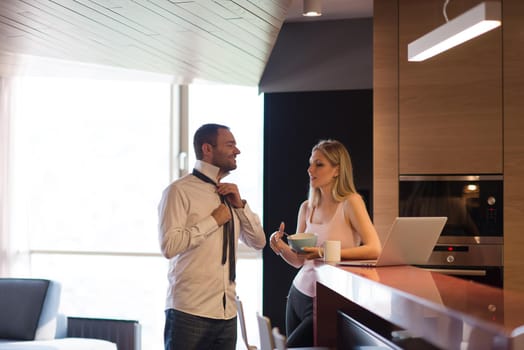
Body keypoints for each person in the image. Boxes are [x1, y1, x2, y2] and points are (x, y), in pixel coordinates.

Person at [158, 123, 266, 350]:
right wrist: (213, 221)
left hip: (227, 314)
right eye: (230, 145)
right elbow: (169, 245)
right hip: (189, 312)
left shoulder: (230, 195)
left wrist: (241, 207)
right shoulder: (178, 191)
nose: (237, 151)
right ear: (207, 149)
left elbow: (259, 242)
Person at [269, 139, 382, 347]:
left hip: (326, 299)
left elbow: (375, 248)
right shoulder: (306, 207)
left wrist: (323, 252)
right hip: (298, 294)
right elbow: (298, 261)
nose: (310, 169)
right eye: (311, 163)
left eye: (319, 164)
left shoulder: (351, 202)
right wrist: (279, 246)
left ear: (337, 170)